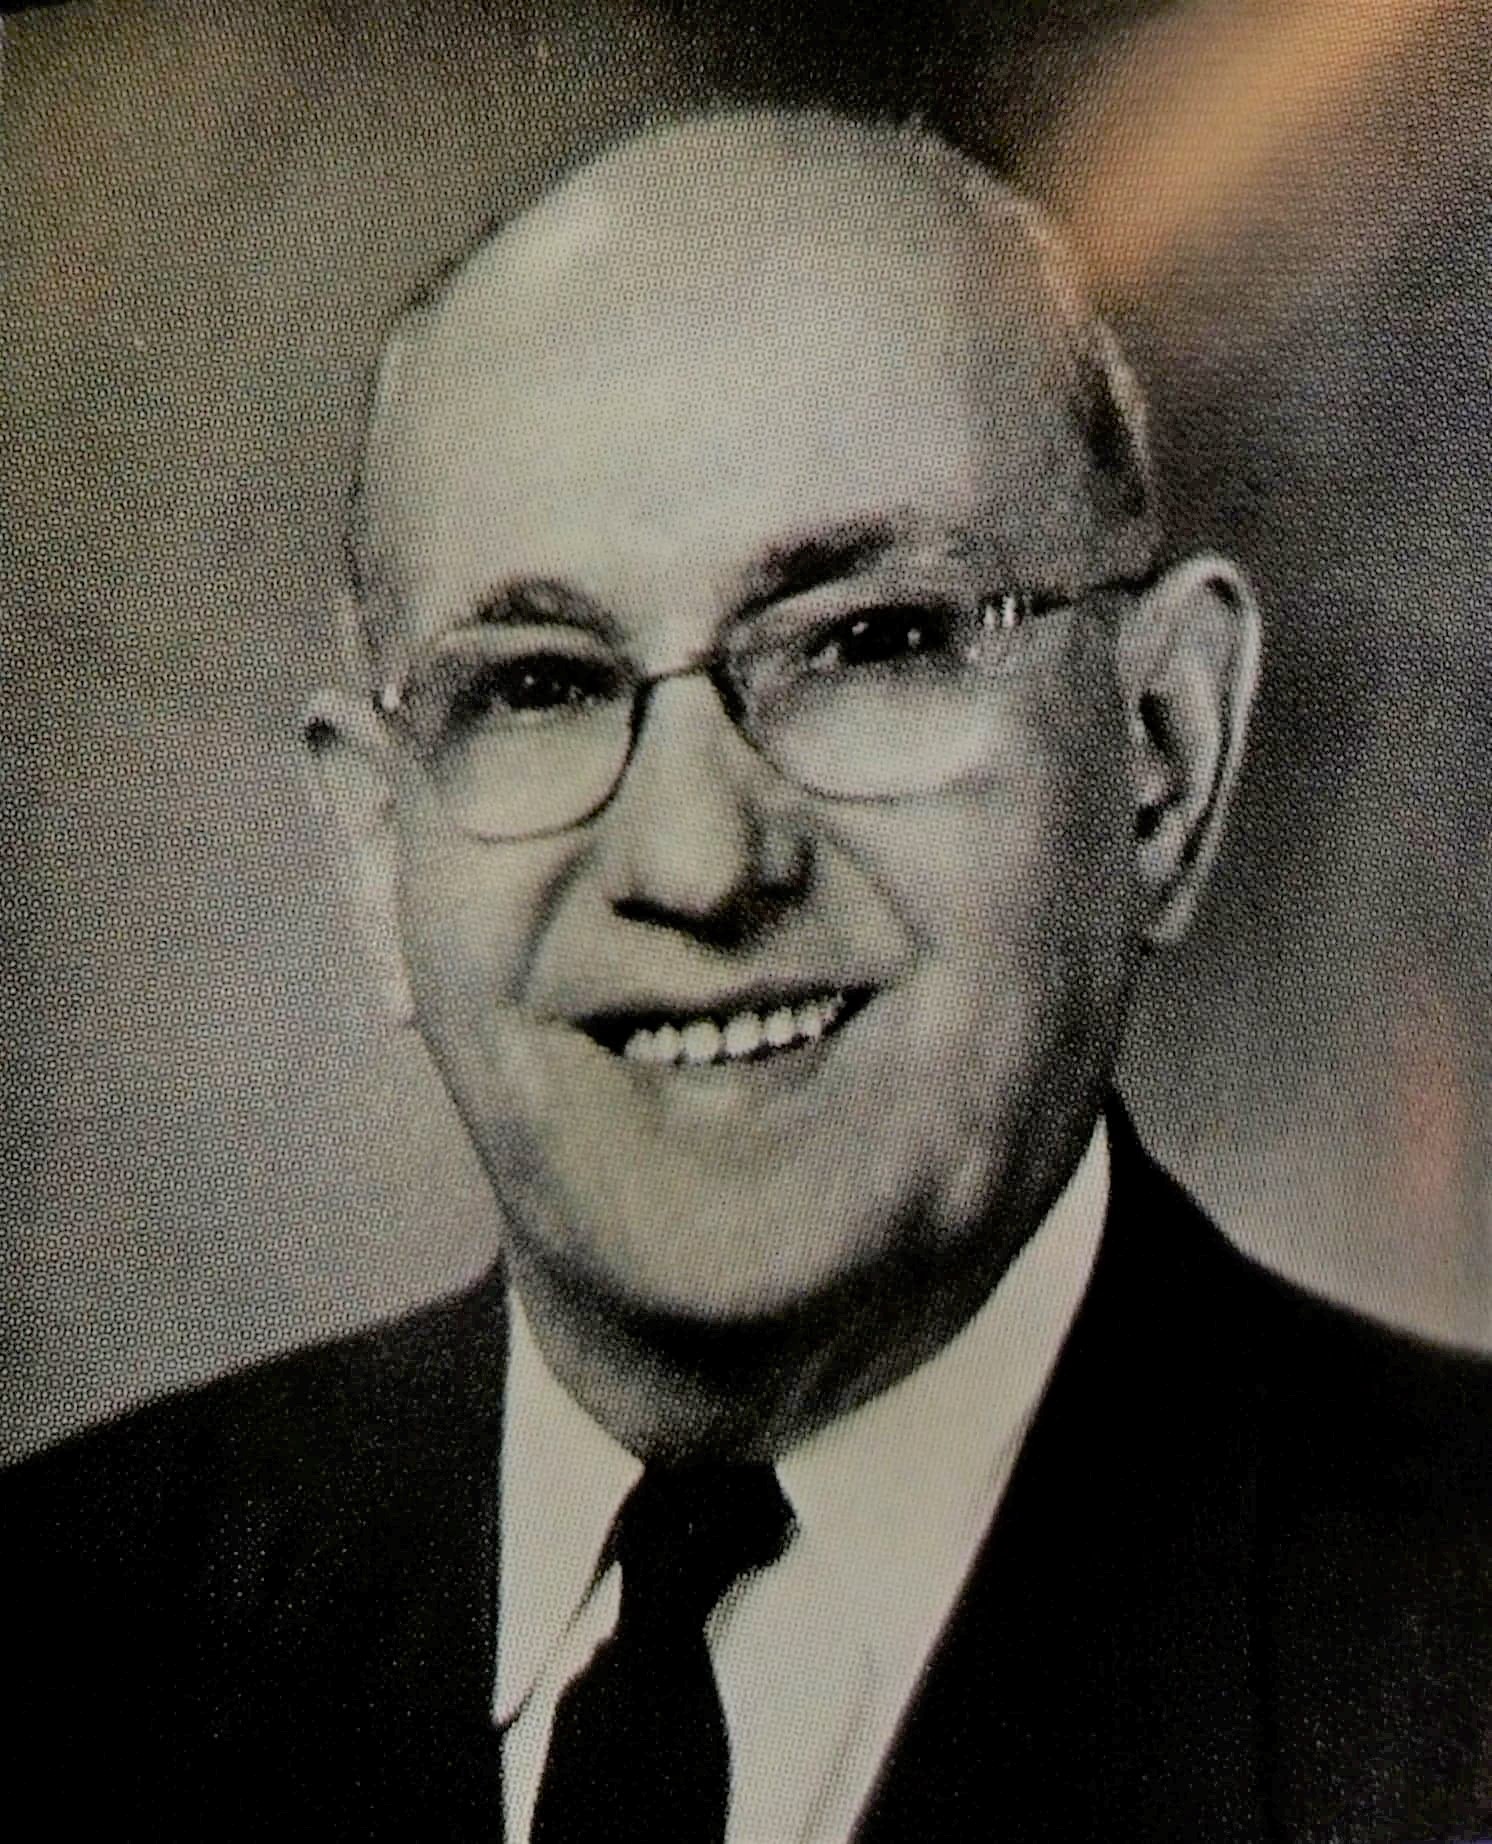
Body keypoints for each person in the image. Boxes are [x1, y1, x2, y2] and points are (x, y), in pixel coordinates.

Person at [8, 109, 1490, 1842]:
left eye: (871, 642)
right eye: (539, 685)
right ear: (376, 851)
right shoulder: (53, 1630)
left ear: (1162, 751)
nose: (700, 862)